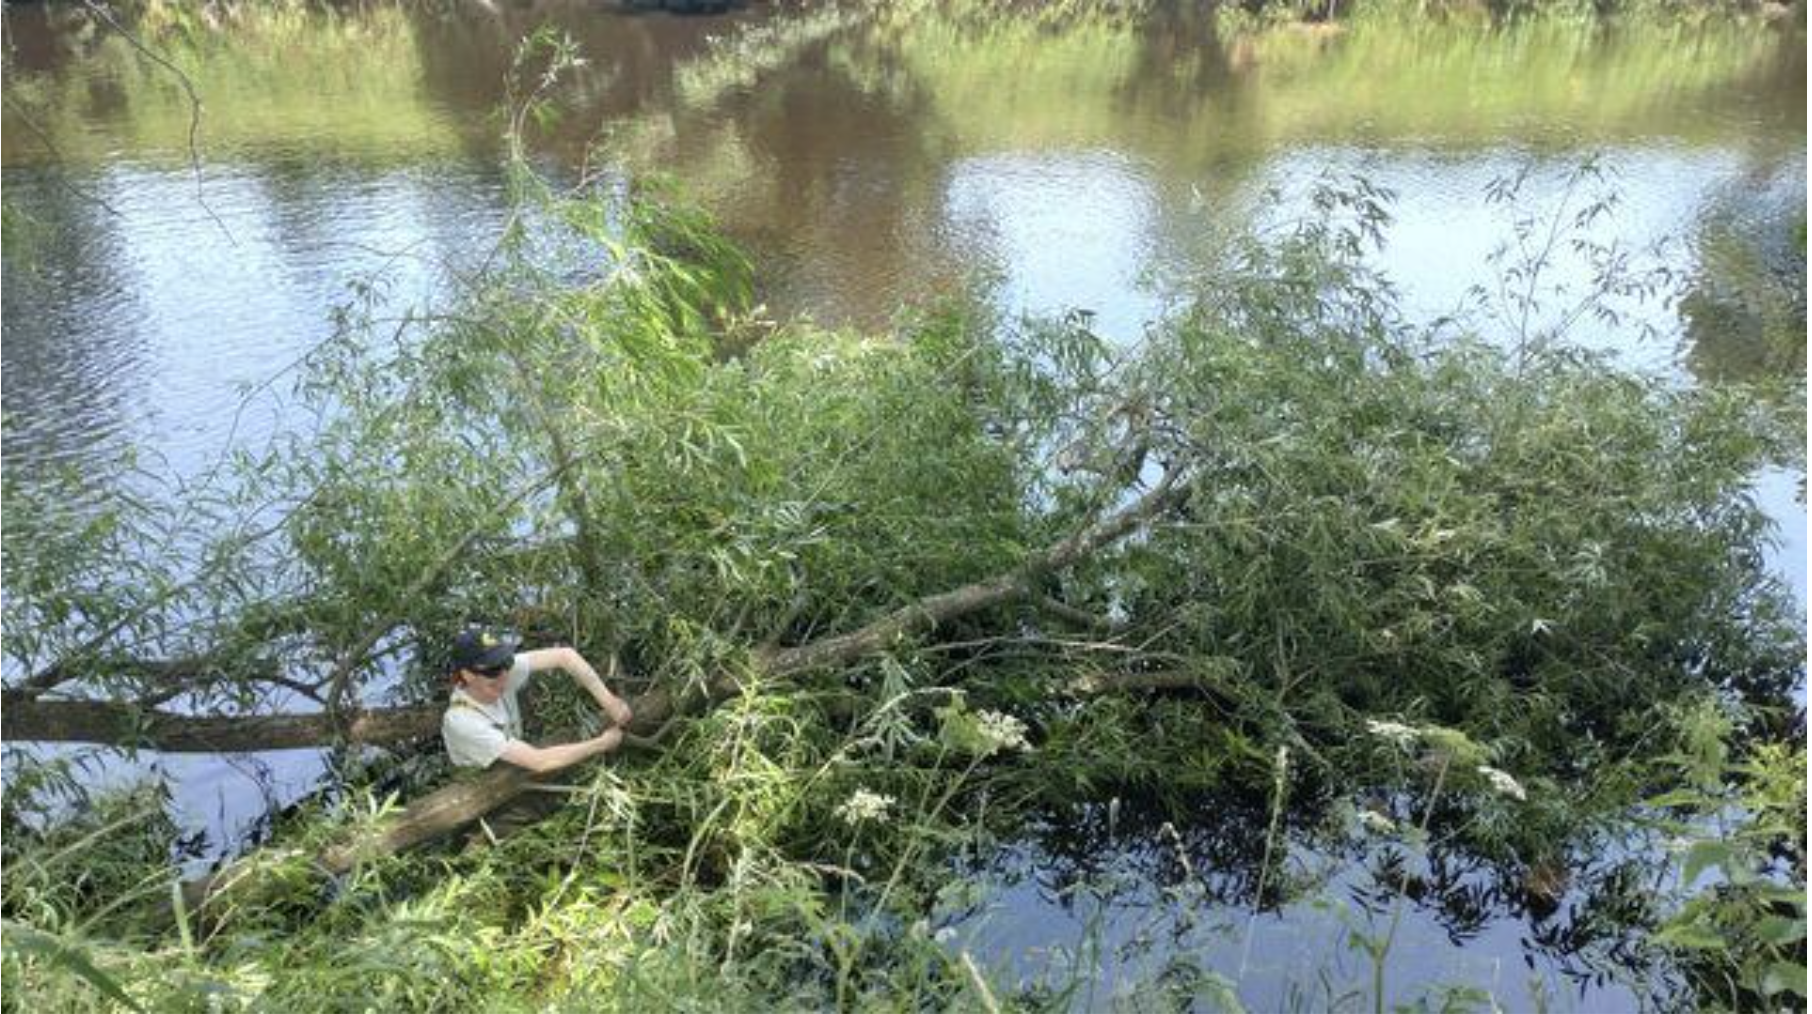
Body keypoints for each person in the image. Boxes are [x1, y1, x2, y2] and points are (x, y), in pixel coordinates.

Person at [442, 625, 634, 841]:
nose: (503, 676)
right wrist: (602, 743)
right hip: (482, 798)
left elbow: (565, 656)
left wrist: (609, 702)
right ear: (467, 675)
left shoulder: (500, 675)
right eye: (492, 671)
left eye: (505, 663)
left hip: (515, 767)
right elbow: (538, 761)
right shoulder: (462, 721)